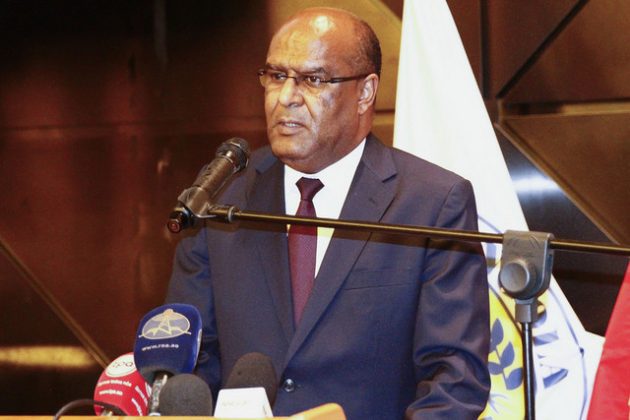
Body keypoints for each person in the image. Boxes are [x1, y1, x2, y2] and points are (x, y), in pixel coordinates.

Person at [166, 7, 490, 419]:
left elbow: (455, 380)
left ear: (365, 92)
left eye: (313, 79)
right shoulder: (221, 195)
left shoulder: (431, 203)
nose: (286, 98)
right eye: (276, 76)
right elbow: (191, 362)